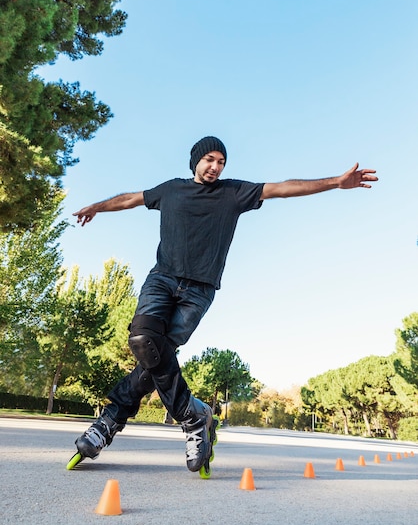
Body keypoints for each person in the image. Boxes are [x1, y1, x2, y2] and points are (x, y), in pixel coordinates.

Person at [72, 135, 378, 472]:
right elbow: (130, 198)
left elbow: (282, 188)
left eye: (221, 162)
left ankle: (108, 423)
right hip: (162, 278)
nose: (215, 167)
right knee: (143, 340)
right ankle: (193, 417)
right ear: (196, 161)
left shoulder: (233, 193)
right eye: (210, 160)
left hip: (199, 290)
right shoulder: (171, 190)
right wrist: (97, 207)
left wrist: (336, 182)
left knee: (156, 357)